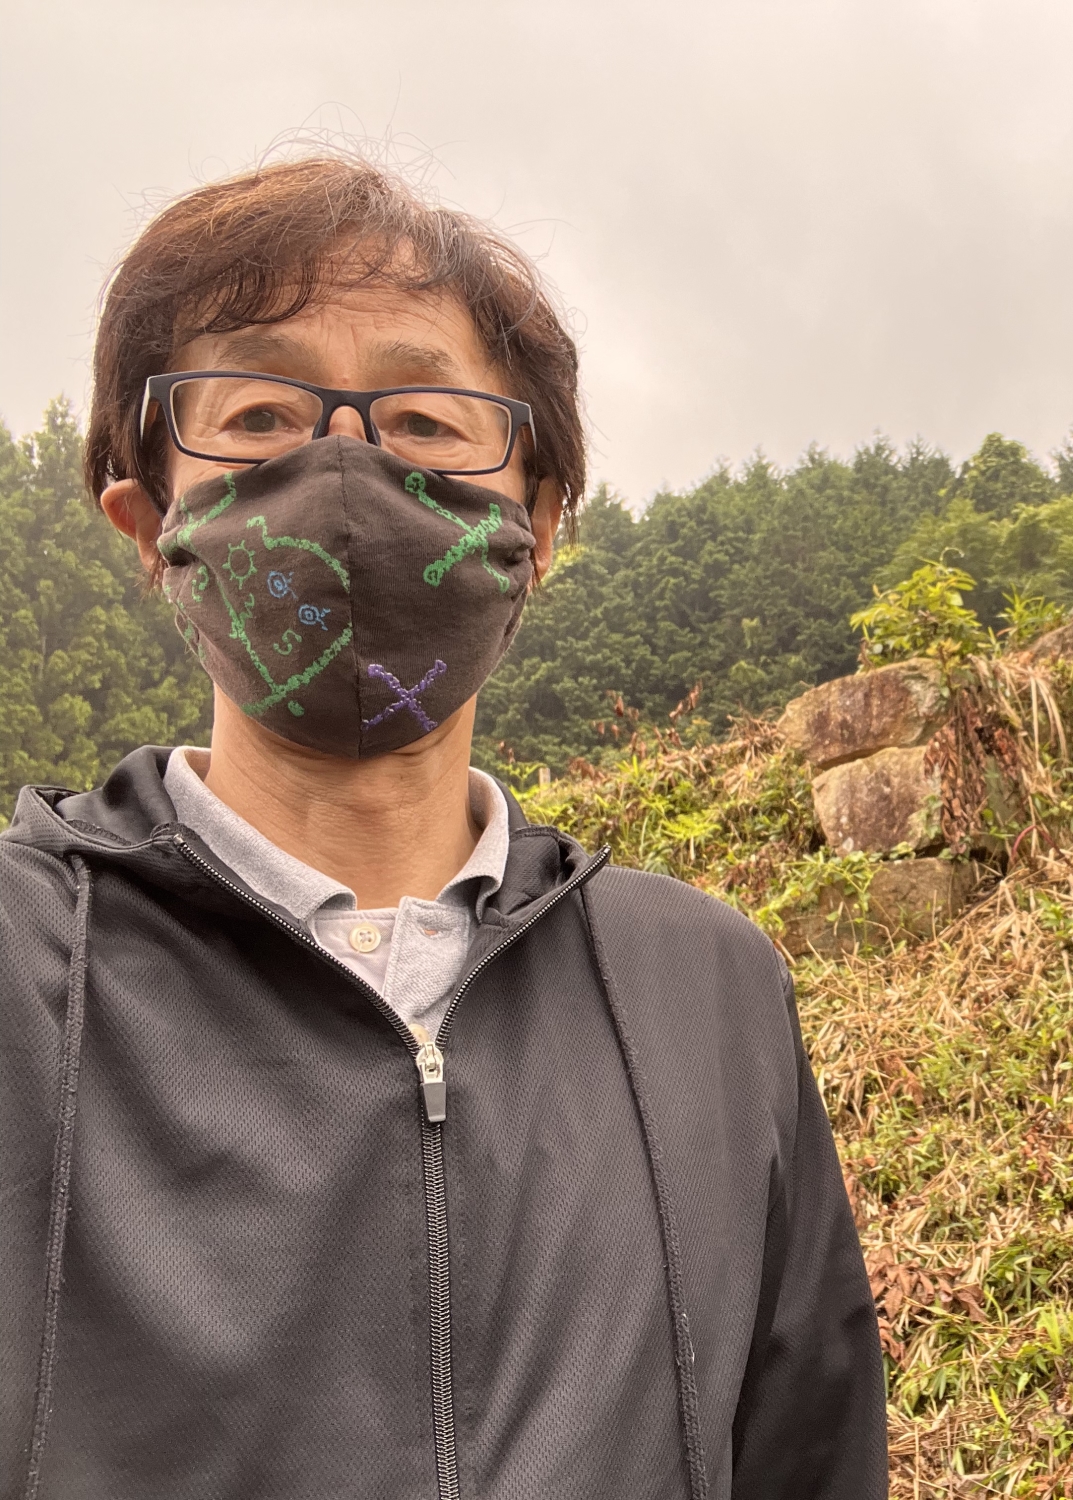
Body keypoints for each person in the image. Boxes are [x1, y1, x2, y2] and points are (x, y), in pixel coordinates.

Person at [0, 156, 886, 1499]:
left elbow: (808, 1450)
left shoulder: (707, 992)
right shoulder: (21, 979)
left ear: (538, 526)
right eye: (259, 413)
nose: (346, 466)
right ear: (150, 524)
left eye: (423, 419)